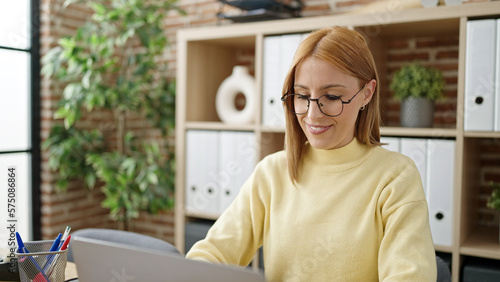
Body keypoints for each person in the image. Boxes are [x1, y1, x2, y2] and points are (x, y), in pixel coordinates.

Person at [186, 26, 437, 281]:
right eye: (303, 95)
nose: (312, 114)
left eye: (331, 96)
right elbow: (212, 254)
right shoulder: (272, 172)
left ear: (366, 94)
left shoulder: (396, 177)